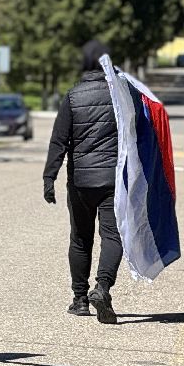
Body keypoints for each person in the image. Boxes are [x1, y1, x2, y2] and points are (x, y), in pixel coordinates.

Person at [42, 39, 124, 324]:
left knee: (80, 239)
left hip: (79, 182)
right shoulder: (121, 95)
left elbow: (59, 140)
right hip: (113, 180)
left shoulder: (73, 95)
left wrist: (49, 177)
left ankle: (79, 300)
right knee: (113, 236)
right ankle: (102, 287)